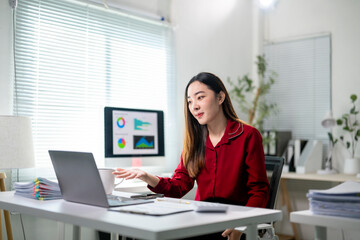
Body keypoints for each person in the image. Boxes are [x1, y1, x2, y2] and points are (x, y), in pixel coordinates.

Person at [113, 72, 270, 240]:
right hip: (201, 222)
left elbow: (259, 191)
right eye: (189, 101)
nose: (194, 106)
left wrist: (242, 224)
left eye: (200, 97)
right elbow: (178, 186)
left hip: (233, 222)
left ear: (220, 97)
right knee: (139, 234)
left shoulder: (248, 136)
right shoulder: (195, 141)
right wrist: (148, 177)